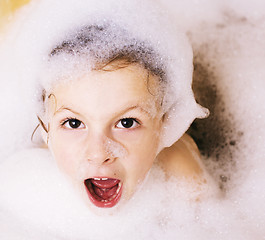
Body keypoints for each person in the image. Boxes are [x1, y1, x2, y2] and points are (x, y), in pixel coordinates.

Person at [36, 23, 210, 209]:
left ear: (164, 125)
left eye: (126, 123)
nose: (98, 154)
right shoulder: (32, 178)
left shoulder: (181, 174)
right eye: (73, 123)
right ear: (46, 128)